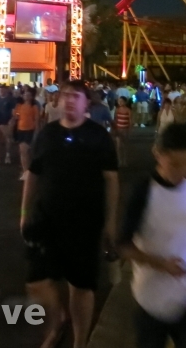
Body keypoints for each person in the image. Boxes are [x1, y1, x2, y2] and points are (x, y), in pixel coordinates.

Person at [21, 80, 119, 348]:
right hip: (47, 219)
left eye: (76, 96)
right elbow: (34, 174)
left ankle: (80, 341)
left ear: (87, 102)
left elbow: (111, 180)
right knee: (36, 281)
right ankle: (57, 321)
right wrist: (24, 212)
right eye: (66, 96)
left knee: (81, 285)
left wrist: (110, 223)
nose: (70, 100)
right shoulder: (48, 134)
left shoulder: (98, 136)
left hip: (85, 221)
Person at [118, 123, 186, 348]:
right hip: (152, 300)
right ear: (158, 154)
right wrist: (160, 264)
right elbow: (123, 245)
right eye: (176, 164)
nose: (184, 172)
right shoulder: (143, 192)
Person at [13, 87, 42, 180]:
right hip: (20, 129)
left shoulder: (34, 107)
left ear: (32, 96)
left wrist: (37, 131)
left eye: (28, 95)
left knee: (25, 150)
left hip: (30, 130)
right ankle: (26, 171)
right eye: (25, 95)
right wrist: (14, 114)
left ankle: (26, 171)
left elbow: (37, 120)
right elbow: (17, 117)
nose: (26, 96)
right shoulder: (19, 106)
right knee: (23, 151)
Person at [0, 86, 16, 165]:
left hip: (6, 122)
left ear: (6, 90)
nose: (1, 91)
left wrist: (12, 120)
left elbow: (14, 111)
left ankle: (7, 155)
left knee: (8, 139)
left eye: (3, 90)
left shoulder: (11, 99)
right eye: (0, 90)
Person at [113, 96, 133, 167]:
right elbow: (115, 120)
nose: (120, 102)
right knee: (118, 146)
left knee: (124, 146)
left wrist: (129, 130)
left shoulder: (128, 110)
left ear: (125, 102)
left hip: (125, 130)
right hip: (118, 130)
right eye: (119, 101)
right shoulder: (117, 110)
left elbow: (130, 120)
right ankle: (119, 160)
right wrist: (114, 129)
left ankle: (124, 160)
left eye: (121, 101)